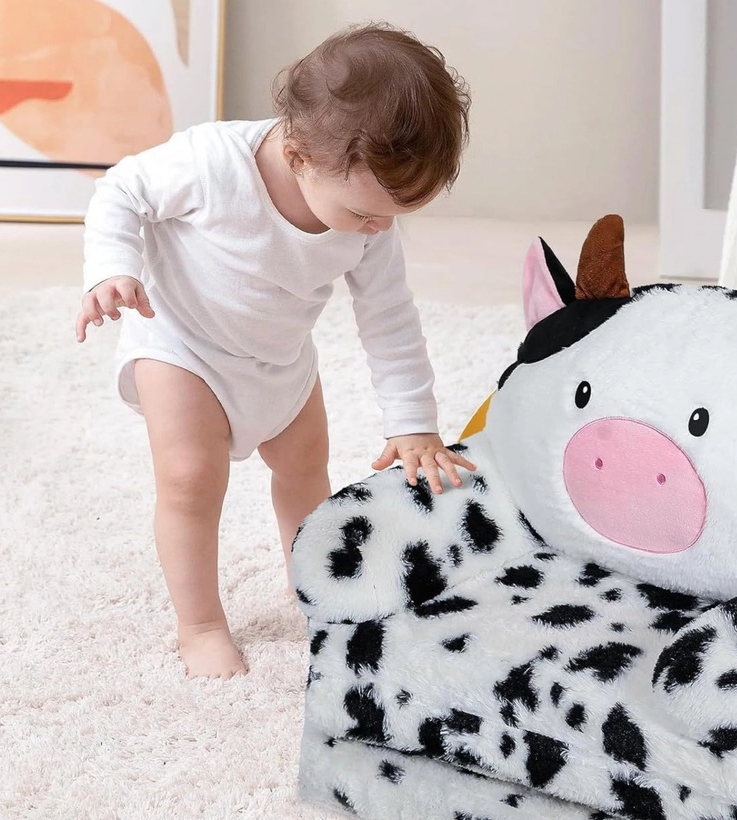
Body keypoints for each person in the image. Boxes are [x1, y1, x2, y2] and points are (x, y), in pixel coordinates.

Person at [75, 24, 475, 680]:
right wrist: (112, 268)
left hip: (281, 361)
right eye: (364, 214)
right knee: (190, 479)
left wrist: (412, 423)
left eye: (394, 215)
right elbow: (121, 191)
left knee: (305, 469)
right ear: (297, 156)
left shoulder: (372, 222)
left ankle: (314, 582)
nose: (379, 228)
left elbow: (389, 319)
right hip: (183, 346)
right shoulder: (212, 162)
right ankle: (200, 624)